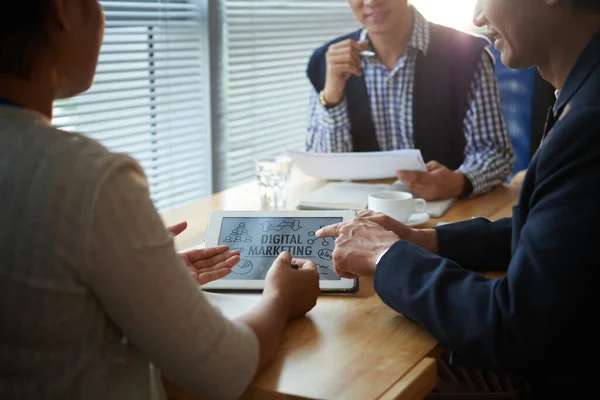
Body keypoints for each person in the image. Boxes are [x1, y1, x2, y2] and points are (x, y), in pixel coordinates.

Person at [0, 1, 320, 399]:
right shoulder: (87, 177)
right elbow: (224, 368)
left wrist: (142, 281)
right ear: (62, 10)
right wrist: (281, 297)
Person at [316, 0, 600, 398]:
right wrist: (429, 241)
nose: (477, 17)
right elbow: (556, 236)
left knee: (357, 379)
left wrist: (388, 257)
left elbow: (512, 328)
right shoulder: (582, 92)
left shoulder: (588, 122)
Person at [305, 0, 514, 201]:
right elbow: (325, 167)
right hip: (364, 217)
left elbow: (495, 153)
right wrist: (332, 96)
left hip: (447, 216)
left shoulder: (466, 54)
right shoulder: (328, 61)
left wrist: (460, 182)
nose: (371, 1)